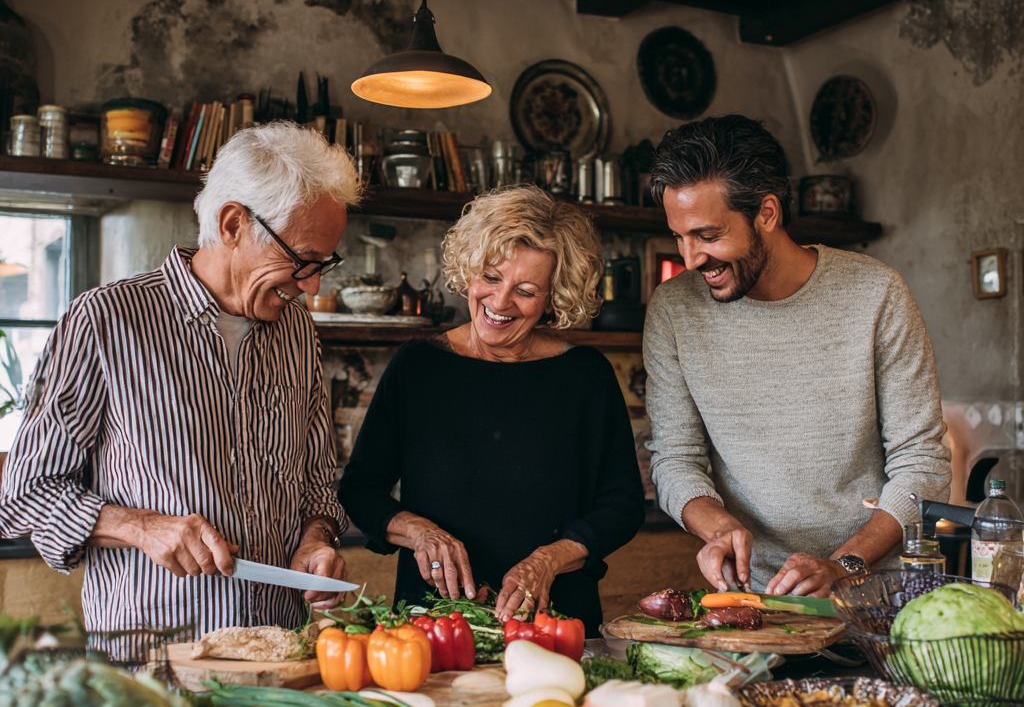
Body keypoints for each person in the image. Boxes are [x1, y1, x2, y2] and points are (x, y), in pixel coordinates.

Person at [0, 123, 360, 643]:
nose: (312, 285)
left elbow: (318, 481)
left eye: (323, 263)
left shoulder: (297, 332)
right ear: (233, 223)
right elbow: (25, 492)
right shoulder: (106, 321)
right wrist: (143, 527)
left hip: (280, 656)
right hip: (155, 668)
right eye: (302, 260)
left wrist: (317, 538)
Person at [643, 115, 951, 598]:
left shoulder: (876, 293)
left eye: (707, 235)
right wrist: (718, 528)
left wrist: (843, 565)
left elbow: (922, 464)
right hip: (758, 599)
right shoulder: (674, 309)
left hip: (876, 600)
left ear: (766, 212)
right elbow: (676, 460)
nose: (690, 259)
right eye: (678, 237)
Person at [337, 185, 645, 635]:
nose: (500, 303)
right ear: (469, 269)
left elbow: (621, 505)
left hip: (555, 621)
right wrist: (421, 532)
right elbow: (361, 488)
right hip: (435, 624)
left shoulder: (586, 376)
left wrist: (548, 560)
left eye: (525, 290)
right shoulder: (418, 367)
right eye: (491, 277)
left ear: (553, 296)